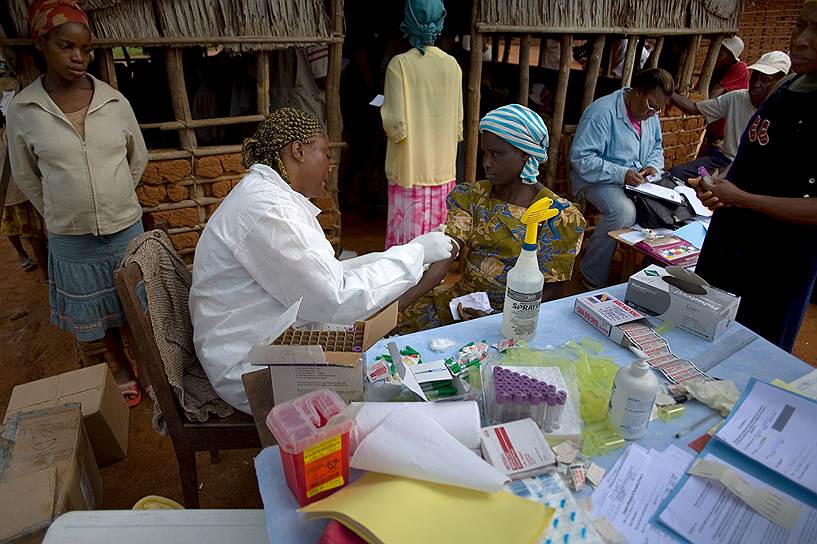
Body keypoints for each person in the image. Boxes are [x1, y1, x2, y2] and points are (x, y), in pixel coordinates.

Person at [189, 107, 454, 413]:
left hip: (260, 341)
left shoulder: (271, 198)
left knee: (377, 361)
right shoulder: (268, 209)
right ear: (298, 151)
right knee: (385, 396)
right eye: (326, 153)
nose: (331, 165)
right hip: (249, 368)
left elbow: (328, 274)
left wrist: (409, 254)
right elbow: (335, 297)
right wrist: (416, 254)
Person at [6, 0, 148, 406]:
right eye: (66, 46)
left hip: (125, 227)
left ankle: (149, 368)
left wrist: (115, 196)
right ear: (41, 44)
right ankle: (120, 367)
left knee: (136, 308)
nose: (78, 57)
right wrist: (60, 210)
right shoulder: (26, 109)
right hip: (71, 235)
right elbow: (27, 175)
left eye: (85, 49)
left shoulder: (113, 102)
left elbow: (137, 157)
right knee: (96, 314)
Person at [688, 0, 817, 353]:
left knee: (751, 352)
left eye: (816, 30)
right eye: (799, 26)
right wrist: (718, 185)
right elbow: (750, 153)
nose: (802, 40)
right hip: (729, 244)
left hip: (779, 263)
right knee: (697, 337)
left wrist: (741, 198)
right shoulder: (788, 87)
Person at [399, 104, 586, 333]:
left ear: (525, 153)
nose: (486, 162)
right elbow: (446, 254)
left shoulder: (558, 217)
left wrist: (496, 319)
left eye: (496, 154)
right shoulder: (473, 196)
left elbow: (552, 291)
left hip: (515, 317)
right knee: (399, 328)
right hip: (462, 302)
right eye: (485, 153)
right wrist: (400, 304)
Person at [569, 68, 674, 289]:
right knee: (623, 212)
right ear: (637, 91)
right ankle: (592, 275)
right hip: (596, 180)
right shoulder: (601, 112)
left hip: (637, 182)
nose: (653, 113)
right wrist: (621, 173)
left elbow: (656, 146)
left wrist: (653, 166)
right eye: (651, 106)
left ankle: (645, 275)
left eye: (659, 110)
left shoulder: (650, 115)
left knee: (670, 206)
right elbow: (581, 159)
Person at [381, 0, 463, 248]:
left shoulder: (400, 65)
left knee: (408, 248)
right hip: (443, 168)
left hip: (410, 167)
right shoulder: (452, 66)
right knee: (437, 242)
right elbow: (457, 124)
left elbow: (395, 124)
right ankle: (434, 281)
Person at [669, 51, 790, 182]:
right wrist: (667, 90)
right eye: (754, 77)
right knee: (676, 174)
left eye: (765, 80)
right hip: (724, 161)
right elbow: (694, 108)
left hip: (755, 169)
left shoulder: (785, 112)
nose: (756, 84)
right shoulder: (737, 98)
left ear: (781, 83)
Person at [699, 36, 750, 157]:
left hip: (724, 132)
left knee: (715, 163)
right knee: (702, 161)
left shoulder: (740, 69)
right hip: (712, 127)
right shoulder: (717, 67)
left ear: (730, 57)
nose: (718, 56)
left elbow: (717, 89)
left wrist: (700, 110)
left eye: (722, 54)